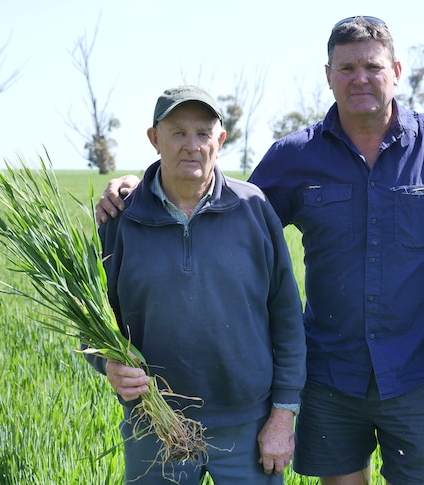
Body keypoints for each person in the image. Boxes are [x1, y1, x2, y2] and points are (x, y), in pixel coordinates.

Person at [95, 18, 424, 485]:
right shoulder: (293, 157)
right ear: (328, 75)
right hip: (328, 374)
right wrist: (136, 186)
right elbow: (219, 214)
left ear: (397, 71)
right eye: (347, 68)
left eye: (372, 66)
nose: (360, 77)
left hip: (416, 375)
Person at [85, 85, 306, 484]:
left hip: (248, 427)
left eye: (203, 133)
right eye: (178, 132)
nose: (192, 145)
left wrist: (282, 416)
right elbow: (89, 320)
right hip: (153, 423)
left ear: (219, 141)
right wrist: (108, 363)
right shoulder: (119, 219)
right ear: (154, 139)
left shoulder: (254, 209)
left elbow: (287, 319)